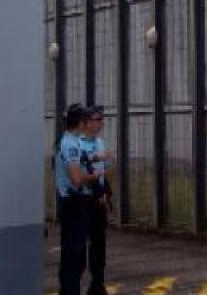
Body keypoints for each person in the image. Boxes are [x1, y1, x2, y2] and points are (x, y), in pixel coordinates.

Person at [56, 104, 101, 295]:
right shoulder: (70, 144)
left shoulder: (71, 141)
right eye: (86, 119)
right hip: (73, 203)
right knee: (74, 256)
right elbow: (75, 177)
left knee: (74, 255)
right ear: (81, 122)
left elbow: (81, 162)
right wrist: (94, 176)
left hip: (74, 203)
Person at [80, 106, 113, 295]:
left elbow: (103, 169)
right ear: (86, 122)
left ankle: (97, 281)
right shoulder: (79, 143)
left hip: (99, 197)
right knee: (79, 243)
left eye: (101, 119)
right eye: (97, 119)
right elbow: (82, 168)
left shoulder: (99, 142)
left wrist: (105, 193)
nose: (101, 123)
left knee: (99, 242)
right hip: (84, 197)